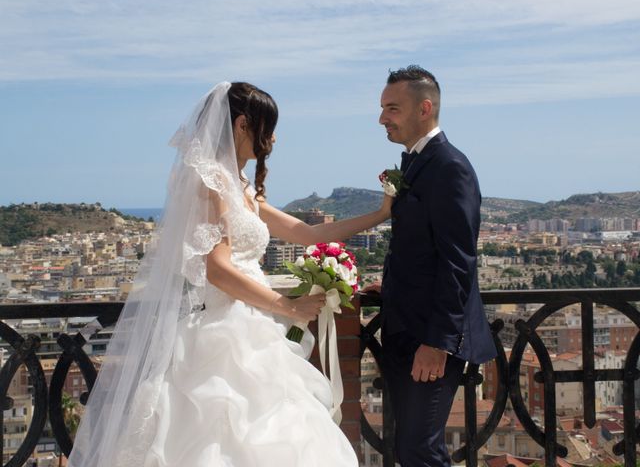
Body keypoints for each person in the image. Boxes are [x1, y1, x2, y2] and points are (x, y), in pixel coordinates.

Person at [68, 81, 392, 467]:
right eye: (267, 129)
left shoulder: (239, 187)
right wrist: (286, 306)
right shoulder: (212, 184)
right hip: (224, 328)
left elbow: (308, 234)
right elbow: (217, 269)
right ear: (242, 125)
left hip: (252, 323)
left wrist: (381, 213)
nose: (272, 139)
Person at [378, 66, 497, 466]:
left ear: (424, 108)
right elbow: (418, 248)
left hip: (431, 338)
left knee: (421, 450)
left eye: (392, 108)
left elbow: (458, 262)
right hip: (405, 331)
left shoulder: (450, 168)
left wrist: (437, 344)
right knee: (407, 448)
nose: (382, 119)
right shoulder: (416, 163)